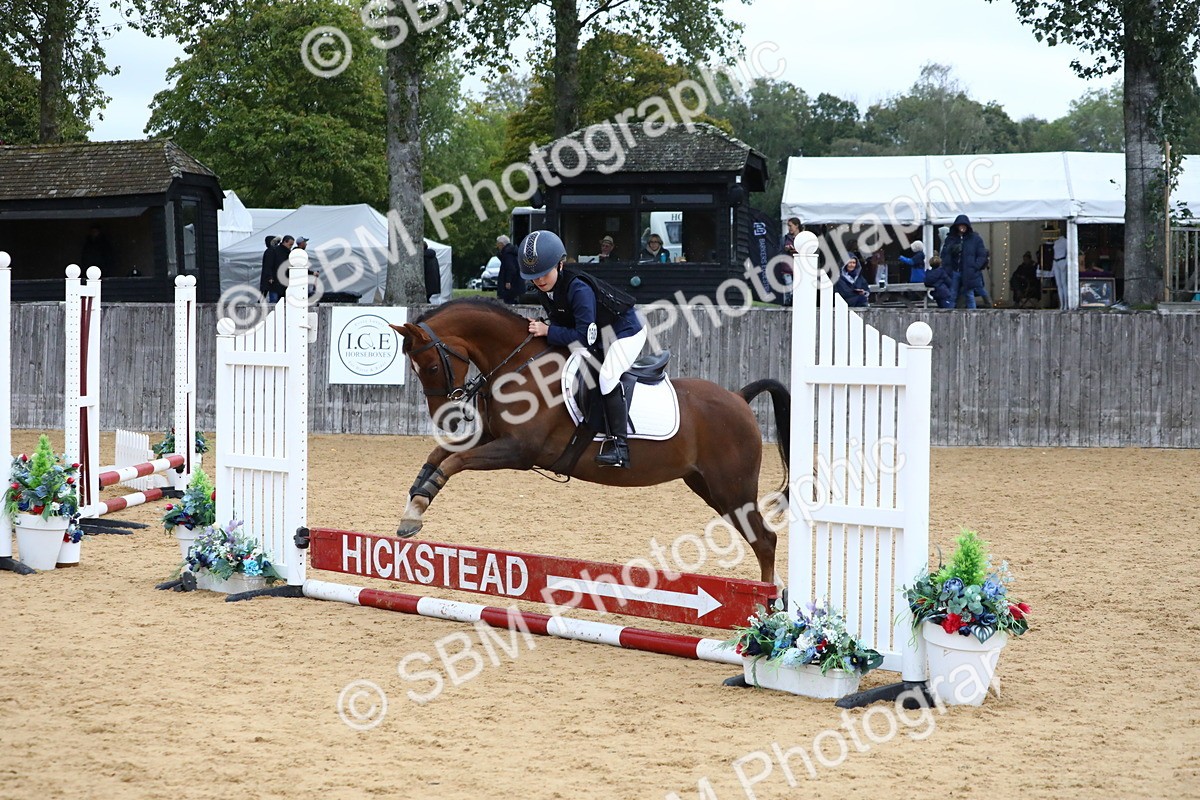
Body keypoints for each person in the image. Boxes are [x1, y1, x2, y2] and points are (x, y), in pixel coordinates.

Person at [519, 230, 645, 469]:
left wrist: (547, 331)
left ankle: (620, 448)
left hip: (627, 330)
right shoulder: (546, 290)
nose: (539, 281)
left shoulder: (578, 288)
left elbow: (583, 337)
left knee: (607, 377)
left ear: (560, 264)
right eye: (533, 276)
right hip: (601, 333)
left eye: (544, 273)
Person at [939, 214, 988, 309]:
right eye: (960, 225)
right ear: (956, 226)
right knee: (952, 295)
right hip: (954, 271)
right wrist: (952, 250)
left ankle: (973, 316)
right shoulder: (951, 238)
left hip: (968, 271)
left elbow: (982, 255)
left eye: (964, 225)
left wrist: (975, 266)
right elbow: (944, 254)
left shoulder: (975, 239)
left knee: (969, 295)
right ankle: (951, 317)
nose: (962, 228)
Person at [495, 235, 522, 304]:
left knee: (509, 301)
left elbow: (511, 268)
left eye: (498, 244)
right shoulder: (512, 252)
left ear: (502, 244)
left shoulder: (508, 254)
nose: (498, 247)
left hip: (510, 284)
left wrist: (508, 281)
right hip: (516, 283)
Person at [259, 235, 282, 303]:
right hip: (271, 278)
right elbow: (268, 265)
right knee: (273, 297)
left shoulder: (271, 251)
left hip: (271, 277)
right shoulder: (270, 251)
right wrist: (270, 277)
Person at [1052, 231, 1069, 308]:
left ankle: (1065, 304)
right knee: (1059, 284)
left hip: (1062, 260)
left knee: (1063, 284)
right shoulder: (1056, 241)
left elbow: (1068, 252)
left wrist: (1066, 261)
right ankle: (1062, 304)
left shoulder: (1066, 241)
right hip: (1055, 261)